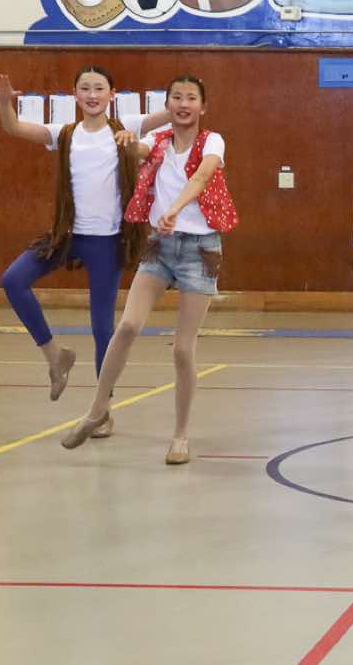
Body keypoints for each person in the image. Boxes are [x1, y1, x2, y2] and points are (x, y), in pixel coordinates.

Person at [62, 76, 236, 465]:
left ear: (203, 107)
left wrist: (175, 208)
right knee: (127, 326)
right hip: (160, 246)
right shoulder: (157, 142)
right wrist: (126, 142)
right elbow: (135, 148)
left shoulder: (212, 141)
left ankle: (180, 436)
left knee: (183, 348)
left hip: (200, 250)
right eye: (177, 97)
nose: (183, 104)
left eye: (191, 98)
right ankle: (97, 410)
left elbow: (202, 176)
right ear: (167, 105)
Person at [0, 68, 147, 417]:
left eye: (99, 88)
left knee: (102, 328)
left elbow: (174, 119)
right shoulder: (65, 133)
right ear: (75, 94)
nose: (92, 94)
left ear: (112, 94)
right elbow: (14, 128)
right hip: (68, 235)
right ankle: (55, 356)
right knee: (13, 280)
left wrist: (179, 112)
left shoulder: (127, 126)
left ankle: (102, 410)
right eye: (85, 88)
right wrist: (3, 103)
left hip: (107, 241)